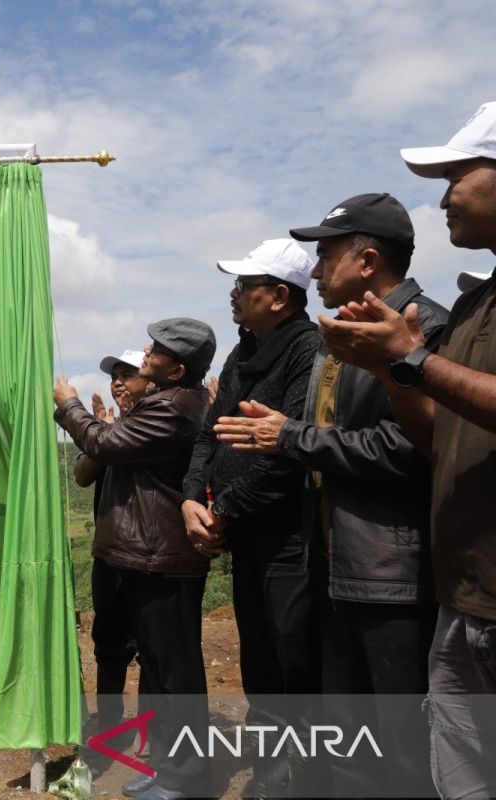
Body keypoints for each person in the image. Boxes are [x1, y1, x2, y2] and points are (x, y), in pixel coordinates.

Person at [213, 194, 446, 796]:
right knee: (351, 749)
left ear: (367, 261)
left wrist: (289, 437)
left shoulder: (426, 328)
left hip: (394, 575)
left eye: (325, 256)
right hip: (338, 567)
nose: (315, 270)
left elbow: (410, 450)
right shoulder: (335, 337)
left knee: (404, 755)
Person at [318, 101, 496, 797]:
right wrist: (394, 366)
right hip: (466, 604)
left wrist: (411, 360)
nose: (446, 195)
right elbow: (433, 438)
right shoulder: (477, 303)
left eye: (458, 174)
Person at [180, 238, 320, 796]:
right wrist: (193, 495)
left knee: (295, 672)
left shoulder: (310, 353)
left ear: (280, 296)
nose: (232, 294)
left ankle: (304, 783)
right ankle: (270, 783)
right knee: (259, 672)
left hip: (291, 545)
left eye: (244, 286)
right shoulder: (242, 355)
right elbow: (209, 434)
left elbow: (291, 454)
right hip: (247, 542)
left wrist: (222, 511)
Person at [56, 320, 216, 800]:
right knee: (163, 674)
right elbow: (96, 461)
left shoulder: (173, 406)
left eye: (156, 350)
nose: (149, 352)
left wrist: (69, 405)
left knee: (175, 675)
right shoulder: (162, 403)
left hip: (162, 559)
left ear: (176, 368)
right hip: (146, 557)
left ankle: (185, 779)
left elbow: (102, 445)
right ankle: (170, 770)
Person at [71, 349, 148, 736]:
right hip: (110, 552)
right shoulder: (110, 430)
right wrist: (101, 437)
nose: (118, 381)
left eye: (128, 373)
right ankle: (110, 721)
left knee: (154, 648)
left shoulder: (155, 421)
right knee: (109, 641)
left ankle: (158, 729)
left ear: (149, 377)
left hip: (151, 556)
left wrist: (106, 435)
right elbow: (82, 474)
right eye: (114, 375)